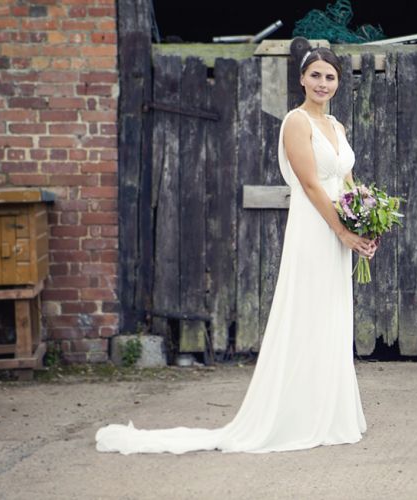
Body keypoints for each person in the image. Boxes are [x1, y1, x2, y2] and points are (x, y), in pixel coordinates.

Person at [96, 47, 376, 454]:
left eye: (329, 77)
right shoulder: (296, 123)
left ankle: (330, 412)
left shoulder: (337, 125)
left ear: (338, 83)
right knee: (308, 312)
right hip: (315, 229)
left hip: (339, 231)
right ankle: (296, 416)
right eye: (315, 75)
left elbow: (347, 181)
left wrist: (364, 226)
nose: (322, 83)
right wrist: (341, 230)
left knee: (332, 315)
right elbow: (311, 185)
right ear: (302, 78)